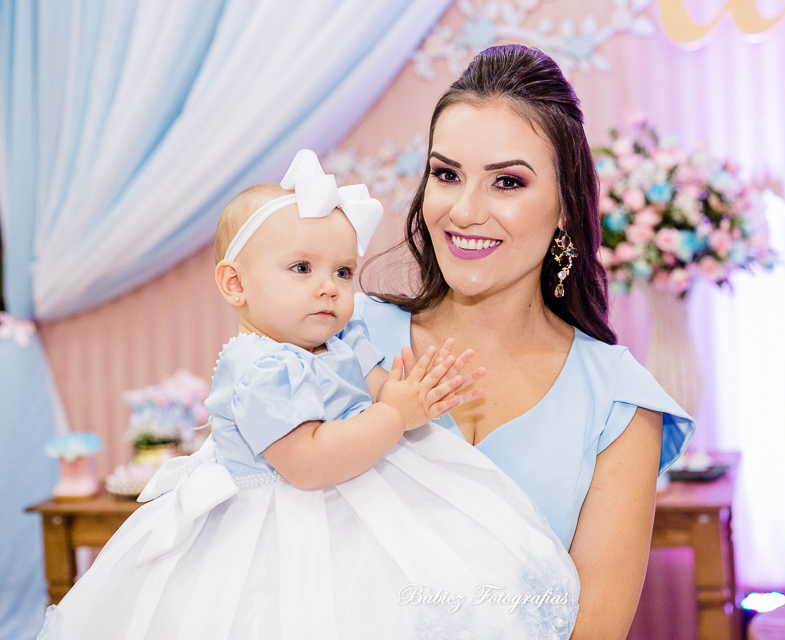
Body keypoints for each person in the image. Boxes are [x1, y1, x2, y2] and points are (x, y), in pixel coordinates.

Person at [39, 150, 579, 640]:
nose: (329, 286)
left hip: (365, 503)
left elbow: (378, 394)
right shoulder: (259, 368)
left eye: (343, 272)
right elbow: (310, 462)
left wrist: (416, 393)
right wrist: (396, 412)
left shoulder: (344, 340)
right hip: (275, 529)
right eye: (302, 269)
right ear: (235, 283)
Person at [357, 45, 695, 639]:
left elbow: (592, 630)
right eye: (446, 174)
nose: (464, 210)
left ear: (566, 205)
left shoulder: (618, 406)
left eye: (506, 182)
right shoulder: (344, 340)